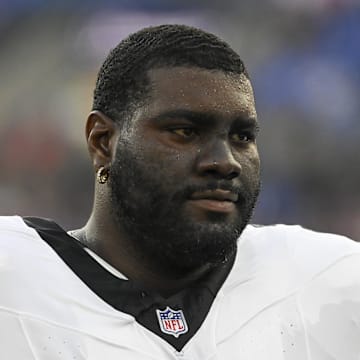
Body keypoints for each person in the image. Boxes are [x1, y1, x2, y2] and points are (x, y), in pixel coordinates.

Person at [0, 24, 359, 359]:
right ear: (103, 141)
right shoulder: (13, 274)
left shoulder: (328, 281)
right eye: (185, 131)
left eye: (242, 136)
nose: (225, 162)